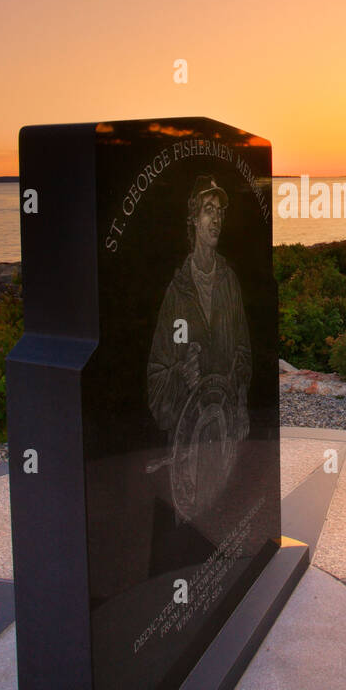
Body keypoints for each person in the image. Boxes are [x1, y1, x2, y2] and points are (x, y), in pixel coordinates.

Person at [147, 175, 251, 519]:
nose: (217, 219)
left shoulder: (229, 282)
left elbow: (244, 353)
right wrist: (180, 376)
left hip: (224, 443)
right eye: (208, 210)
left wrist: (240, 401)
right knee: (193, 534)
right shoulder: (176, 293)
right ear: (193, 220)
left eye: (220, 211)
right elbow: (156, 382)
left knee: (225, 520)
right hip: (188, 459)